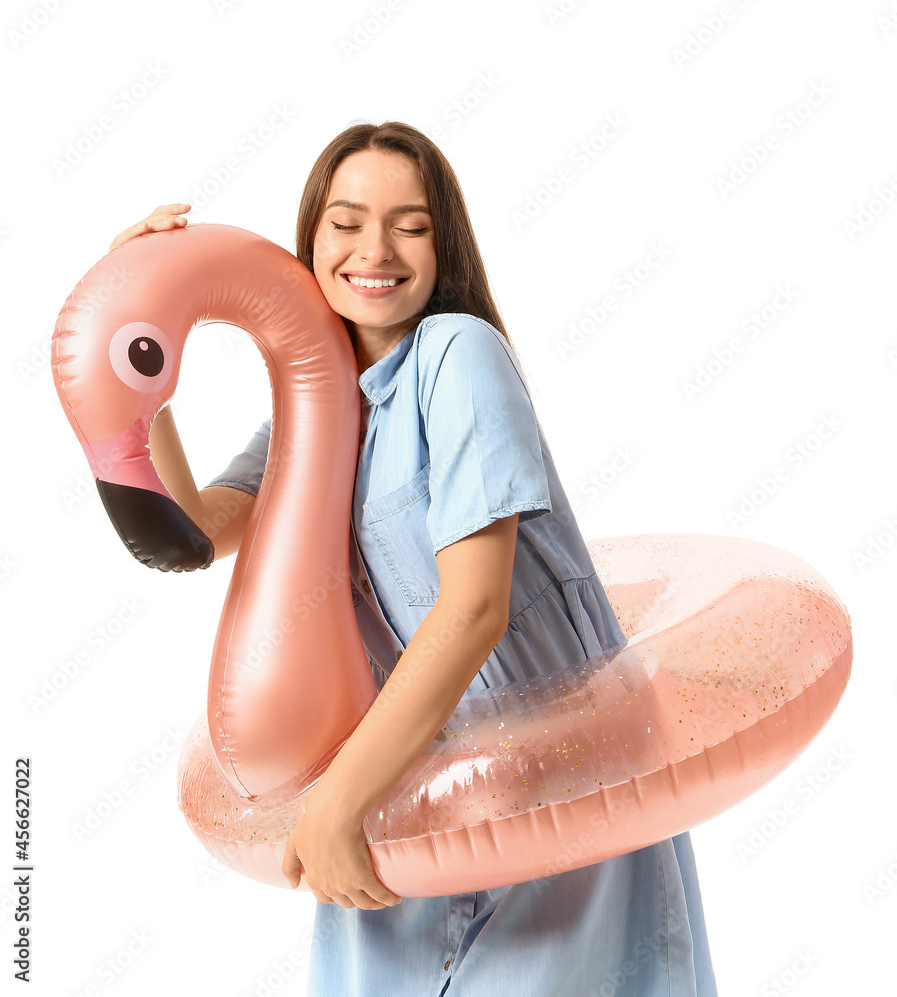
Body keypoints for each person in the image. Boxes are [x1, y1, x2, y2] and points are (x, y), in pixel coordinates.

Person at [109, 121, 718, 997]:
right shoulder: (317, 410)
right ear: (310, 239)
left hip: (541, 797)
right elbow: (197, 530)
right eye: (347, 222)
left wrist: (334, 803)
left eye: (411, 224)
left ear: (443, 245)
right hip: (405, 800)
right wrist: (141, 355)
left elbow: (475, 608)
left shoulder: (457, 357)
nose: (376, 249)